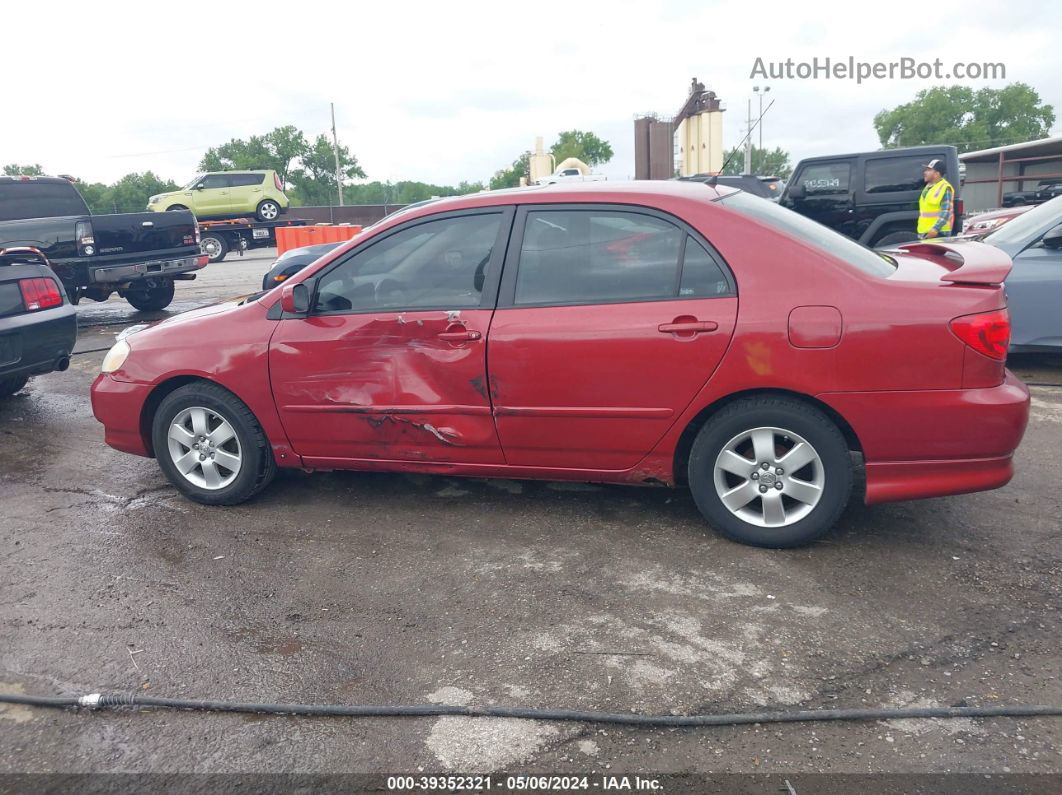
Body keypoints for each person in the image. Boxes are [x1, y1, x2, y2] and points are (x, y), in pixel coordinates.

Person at [917, 159, 955, 239]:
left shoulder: (944, 187)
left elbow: (946, 211)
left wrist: (935, 229)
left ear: (937, 174)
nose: (925, 172)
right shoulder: (928, 187)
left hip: (939, 233)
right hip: (926, 232)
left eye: (929, 170)